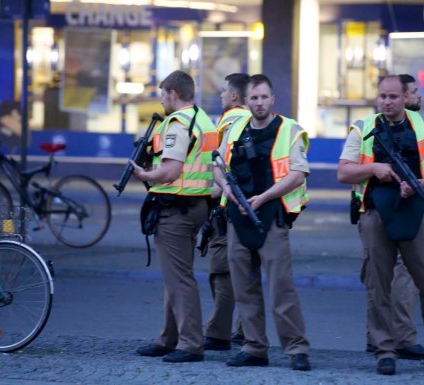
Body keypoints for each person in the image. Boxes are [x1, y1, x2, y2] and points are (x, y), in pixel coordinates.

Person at [338, 74, 424, 375]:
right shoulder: (363, 128)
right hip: (375, 214)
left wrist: (418, 183)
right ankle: (385, 351)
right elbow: (343, 173)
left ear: (405, 97)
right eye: (382, 96)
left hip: (415, 211)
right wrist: (373, 169)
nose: (387, 101)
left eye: (393, 96)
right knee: (378, 286)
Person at [213, 74, 311, 371]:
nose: (258, 103)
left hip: (271, 216)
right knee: (244, 287)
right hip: (238, 216)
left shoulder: (290, 129)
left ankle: (297, 349)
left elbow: (298, 174)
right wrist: (227, 190)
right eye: (253, 98)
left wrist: (264, 197)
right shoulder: (234, 128)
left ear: (272, 99)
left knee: (281, 288)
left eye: (263, 97)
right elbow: (216, 166)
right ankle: (254, 347)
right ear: (246, 101)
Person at [130, 70, 218, 363]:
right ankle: (168, 338)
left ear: (172, 93)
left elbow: (170, 171)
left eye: (162, 94)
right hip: (197, 205)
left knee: (180, 279)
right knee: (175, 276)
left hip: (176, 208)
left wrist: (144, 173)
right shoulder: (203, 120)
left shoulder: (178, 124)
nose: (162, 99)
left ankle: (191, 343)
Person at [365, 74, 424, 361]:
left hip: (413, 209)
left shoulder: (423, 130)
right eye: (413, 92)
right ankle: (395, 340)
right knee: (391, 277)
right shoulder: (370, 127)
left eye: (413, 93)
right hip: (377, 209)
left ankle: (381, 339)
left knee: (386, 277)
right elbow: (348, 170)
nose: (417, 97)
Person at [202, 73, 251, 351]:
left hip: (226, 207)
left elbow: (221, 167)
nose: (220, 96)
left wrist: (203, 195)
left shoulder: (231, 120)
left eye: (223, 91)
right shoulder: (255, 121)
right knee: (247, 271)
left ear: (233, 96)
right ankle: (245, 330)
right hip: (252, 206)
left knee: (222, 271)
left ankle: (218, 333)